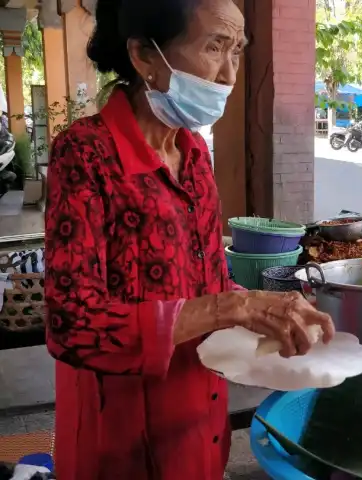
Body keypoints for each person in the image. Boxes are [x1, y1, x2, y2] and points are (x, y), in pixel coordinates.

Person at [44, 0, 334, 479]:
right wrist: (234, 308)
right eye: (213, 46)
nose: (229, 75)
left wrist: (266, 310)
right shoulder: (86, 153)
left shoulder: (195, 152)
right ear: (144, 56)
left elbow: (208, 286)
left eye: (237, 51)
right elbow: (72, 324)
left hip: (199, 419)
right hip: (120, 441)